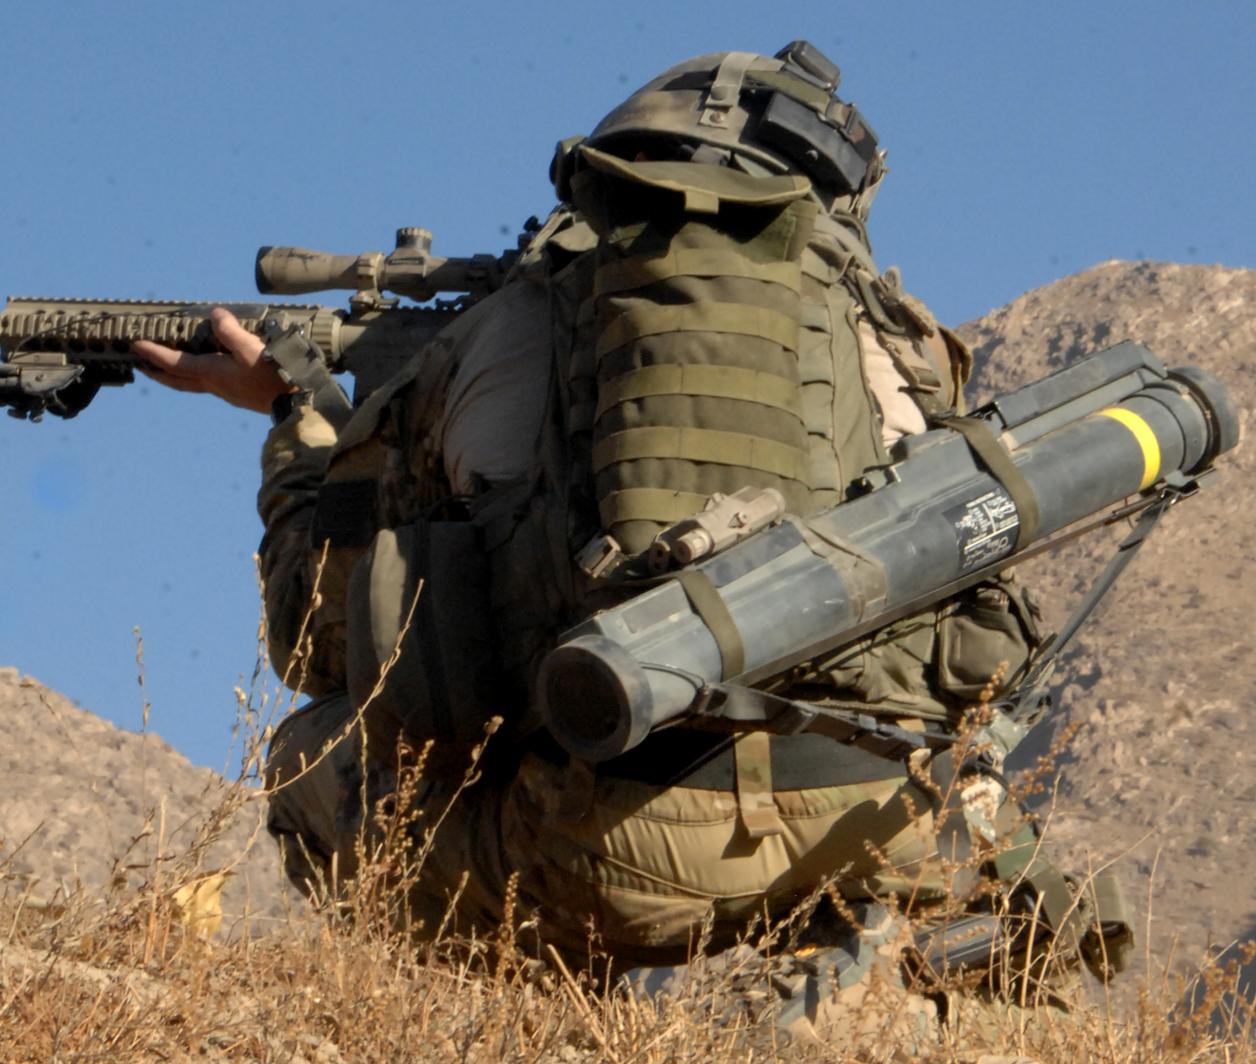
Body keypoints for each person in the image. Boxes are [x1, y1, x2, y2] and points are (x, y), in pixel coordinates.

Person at [135, 41, 1125, 1046]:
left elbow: (319, 635)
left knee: (308, 756)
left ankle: (550, 1026)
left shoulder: (499, 332)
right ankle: (870, 968)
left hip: (610, 850)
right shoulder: (903, 345)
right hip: (878, 821)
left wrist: (297, 422)